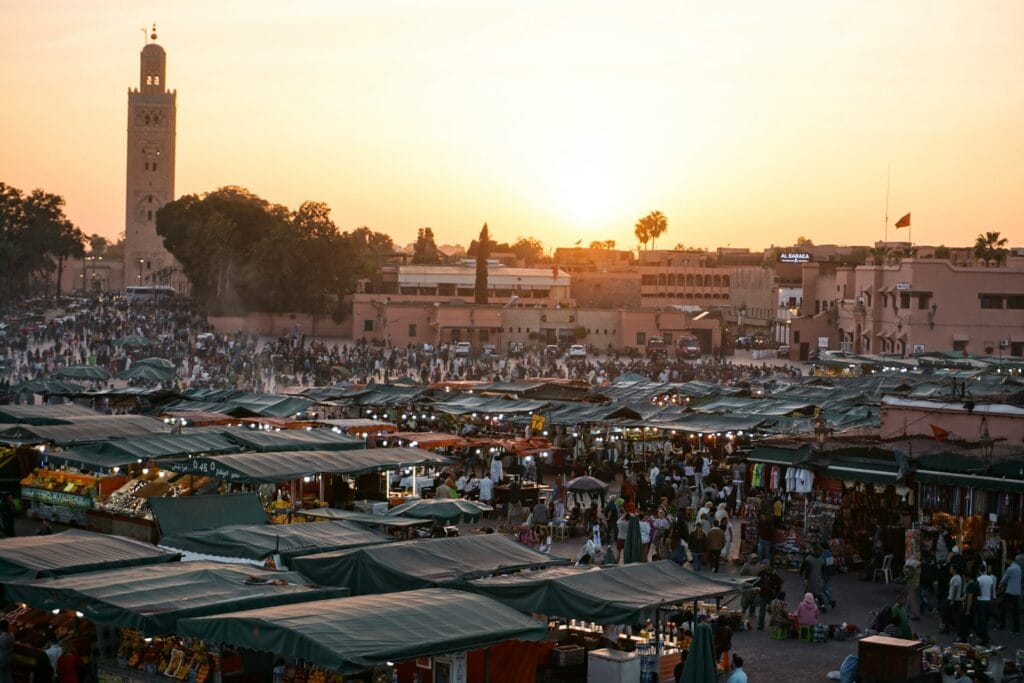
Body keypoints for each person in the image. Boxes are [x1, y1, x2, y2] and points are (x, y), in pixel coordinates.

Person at [998, 553, 1022, 634]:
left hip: (1009, 591)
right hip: (1017, 591)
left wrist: (1000, 586)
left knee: (1002, 608)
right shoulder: (1019, 568)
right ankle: (1016, 629)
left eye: (1006, 560)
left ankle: (1002, 625)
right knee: (1015, 611)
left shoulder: (1010, 569)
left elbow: (1004, 580)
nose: (1005, 561)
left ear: (1009, 560)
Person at [756, 561, 783, 630]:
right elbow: (756, 582)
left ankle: (774, 624)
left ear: (768, 566)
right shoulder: (761, 573)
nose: (763, 567)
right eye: (763, 566)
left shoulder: (773, 573)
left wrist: (776, 590)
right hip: (763, 594)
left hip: (771, 595)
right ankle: (761, 625)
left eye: (764, 566)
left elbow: (779, 582)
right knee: (762, 610)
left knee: (772, 610)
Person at [801, 544, 826, 613]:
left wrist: (805, 578)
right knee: (818, 593)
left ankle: (806, 607)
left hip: (811, 579)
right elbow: (824, 569)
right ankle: (823, 605)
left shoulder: (809, 559)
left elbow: (806, 569)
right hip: (819, 578)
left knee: (808, 593)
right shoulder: (821, 560)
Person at [977, 562, 994, 644]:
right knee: (986, 620)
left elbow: (978, 591)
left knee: (981, 621)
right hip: (988, 600)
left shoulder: (979, 579)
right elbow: (991, 589)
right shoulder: (990, 578)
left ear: (979, 570)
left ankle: (984, 638)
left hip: (981, 601)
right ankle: (985, 636)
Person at [945, 564, 964, 635]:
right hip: (954, 598)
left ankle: (948, 629)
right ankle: (953, 627)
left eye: (951, 569)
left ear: (954, 570)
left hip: (953, 599)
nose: (950, 570)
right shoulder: (957, 577)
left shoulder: (956, 578)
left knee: (948, 614)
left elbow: (955, 588)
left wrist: (952, 600)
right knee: (953, 614)